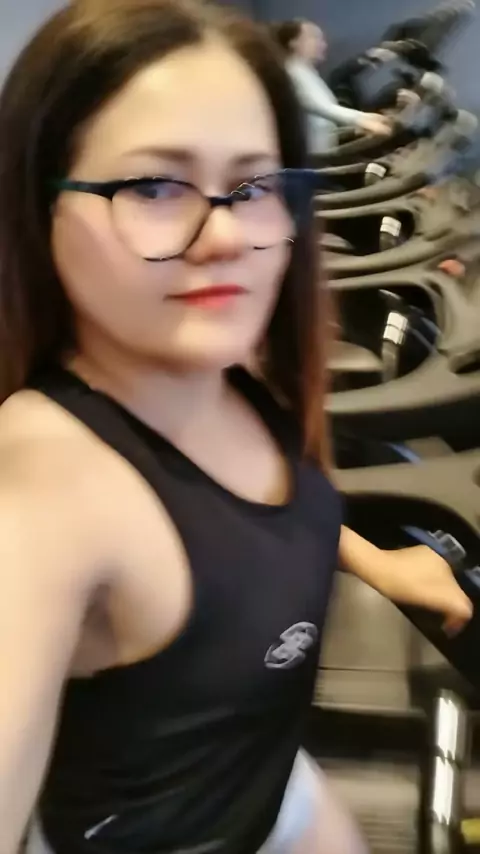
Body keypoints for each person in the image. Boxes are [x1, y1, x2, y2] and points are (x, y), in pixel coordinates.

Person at [0, 2, 471, 853]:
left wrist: (376, 560)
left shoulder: (228, 366)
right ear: (39, 205)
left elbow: (241, 518)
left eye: (253, 186)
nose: (224, 235)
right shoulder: (43, 486)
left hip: (270, 782)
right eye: (153, 186)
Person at [273, 19, 393, 154]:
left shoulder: (306, 72)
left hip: (324, 149)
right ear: (293, 42)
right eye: (314, 38)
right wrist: (362, 119)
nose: (322, 45)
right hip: (314, 157)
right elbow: (320, 107)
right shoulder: (292, 72)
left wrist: (363, 120)